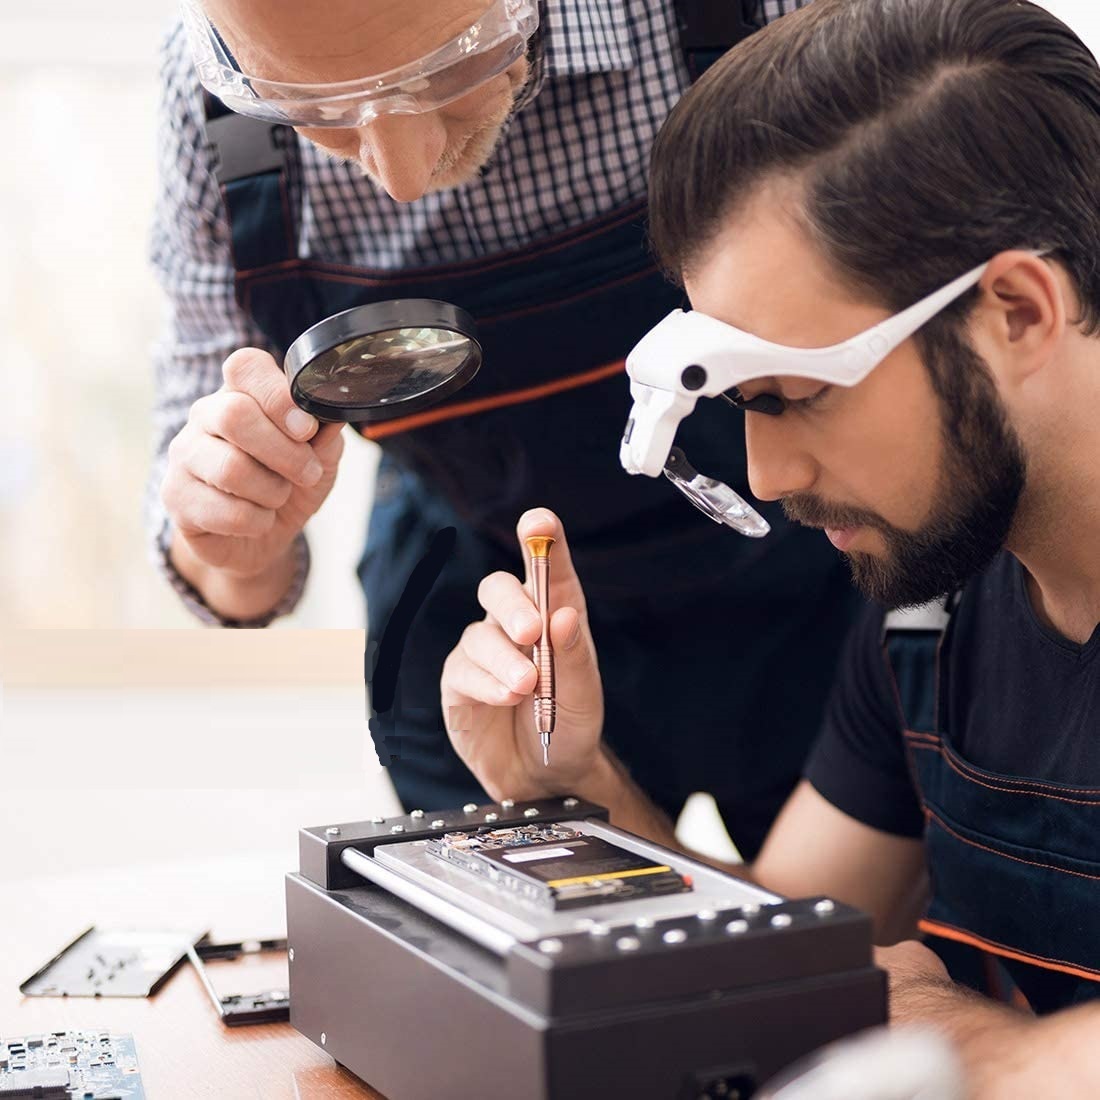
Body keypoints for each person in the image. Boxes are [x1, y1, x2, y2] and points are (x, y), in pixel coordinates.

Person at [440, 0, 1100, 1091]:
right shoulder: (922, 617)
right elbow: (776, 954)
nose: (764, 475)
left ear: (1017, 311)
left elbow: (884, 1008)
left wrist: (968, 1040)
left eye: (791, 397)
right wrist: (577, 788)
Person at [149, 0, 861, 859]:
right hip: (490, 637)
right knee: (525, 972)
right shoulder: (214, 105)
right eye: (319, 114)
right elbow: (227, 578)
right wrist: (232, 535)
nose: (401, 175)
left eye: (450, 69)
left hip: (823, 591)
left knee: (892, 963)